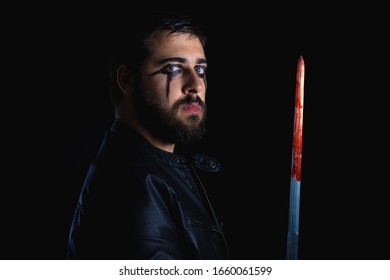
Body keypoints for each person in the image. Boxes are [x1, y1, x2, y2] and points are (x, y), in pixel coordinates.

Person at [67, 10, 229, 260]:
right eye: (173, 68)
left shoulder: (158, 167)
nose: (195, 85)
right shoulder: (133, 187)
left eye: (200, 69)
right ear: (128, 80)